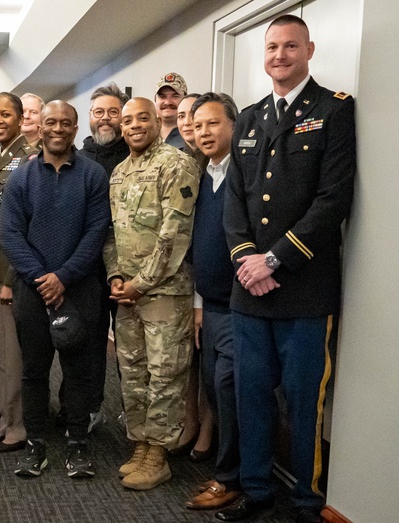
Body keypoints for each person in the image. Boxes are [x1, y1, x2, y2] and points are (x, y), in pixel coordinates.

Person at [217, 15, 356, 523]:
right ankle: (255, 492)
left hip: (304, 291)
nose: (279, 55)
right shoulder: (250, 119)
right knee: (249, 397)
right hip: (249, 293)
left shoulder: (334, 111)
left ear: (309, 49)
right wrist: (245, 261)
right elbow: (235, 202)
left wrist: (273, 259)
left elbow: (333, 198)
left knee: (303, 403)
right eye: (272, 46)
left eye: (290, 46)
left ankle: (305, 502)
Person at [1, 100, 111, 478]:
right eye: (51, 122)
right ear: (41, 127)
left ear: (76, 127)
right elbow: (10, 236)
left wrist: (63, 276)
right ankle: (36, 445)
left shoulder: (94, 176)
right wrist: (43, 278)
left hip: (80, 289)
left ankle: (77, 444)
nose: (58, 129)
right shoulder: (21, 177)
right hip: (32, 291)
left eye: (66, 122)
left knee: (78, 371)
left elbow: (96, 234)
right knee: (34, 371)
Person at [104, 97, 199, 491]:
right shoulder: (119, 173)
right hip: (128, 295)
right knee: (134, 372)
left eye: (143, 118)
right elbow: (111, 235)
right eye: (128, 120)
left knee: (165, 374)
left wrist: (140, 283)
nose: (135, 125)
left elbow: (174, 235)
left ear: (157, 122)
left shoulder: (177, 164)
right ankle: (142, 444)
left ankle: (159, 456)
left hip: (164, 293)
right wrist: (115, 277)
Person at [182, 92, 242, 512]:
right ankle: (228, 470)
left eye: (213, 123)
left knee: (230, 388)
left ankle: (231, 478)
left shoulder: (247, 174)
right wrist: (200, 303)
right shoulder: (204, 174)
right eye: (198, 125)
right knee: (216, 391)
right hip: (213, 306)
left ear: (234, 126)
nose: (204, 132)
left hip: (243, 308)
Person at [0, 92, 39, 454]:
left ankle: (18, 424)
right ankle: (5, 419)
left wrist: (14, 277)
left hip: (13, 272)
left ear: (20, 118)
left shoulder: (28, 157)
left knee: (13, 355)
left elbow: (26, 224)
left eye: (5, 114)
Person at [76, 81, 130, 432]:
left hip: (130, 268)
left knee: (129, 346)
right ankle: (91, 406)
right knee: (90, 342)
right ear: (89, 118)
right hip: (88, 268)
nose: (106, 119)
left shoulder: (136, 154)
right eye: (99, 112)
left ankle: (133, 411)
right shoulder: (77, 159)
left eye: (114, 112)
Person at [170, 92, 216, 461]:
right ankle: (188, 420)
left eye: (196, 117)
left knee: (207, 358)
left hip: (207, 274)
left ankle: (207, 425)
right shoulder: (180, 162)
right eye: (183, 116)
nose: (188, 124)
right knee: (186, 357)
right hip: (179, 274)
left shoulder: (216, 164)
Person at [155, 72, 188, 149]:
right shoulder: (146, 135)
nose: (168, 102)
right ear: (155, 100)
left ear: (185, 99)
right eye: (162, 96)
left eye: (175, 96)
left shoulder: (192, 137)